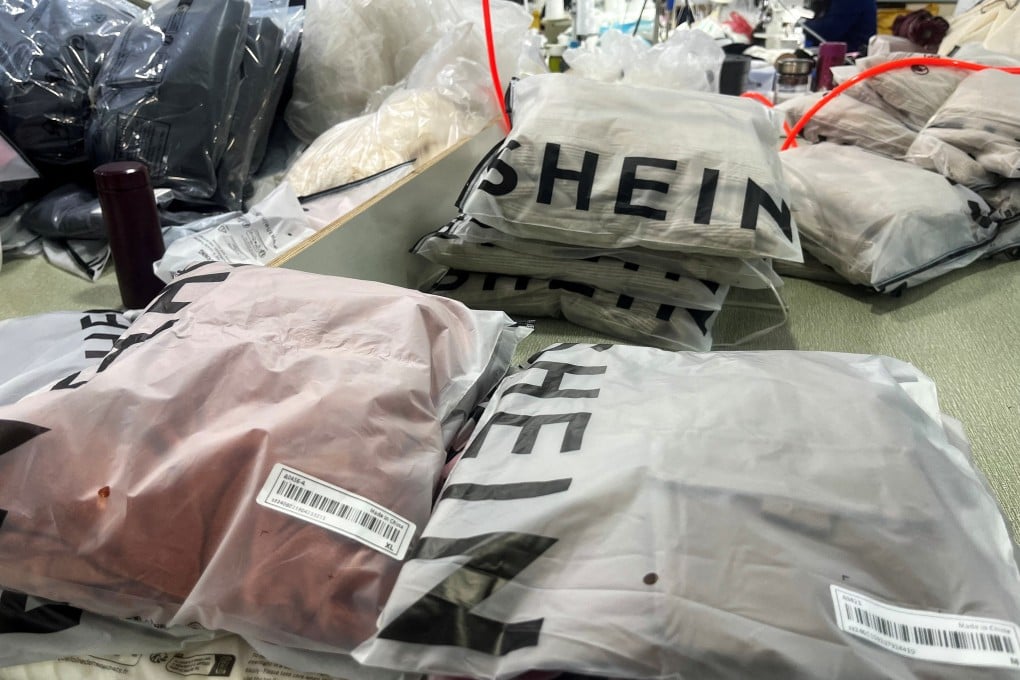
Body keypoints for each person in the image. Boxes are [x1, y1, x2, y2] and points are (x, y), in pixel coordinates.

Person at [802, 0, 878, 54]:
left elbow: (829, 31)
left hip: (849, 56)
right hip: (843, 51)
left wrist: (804, 24)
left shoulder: (849, 2)